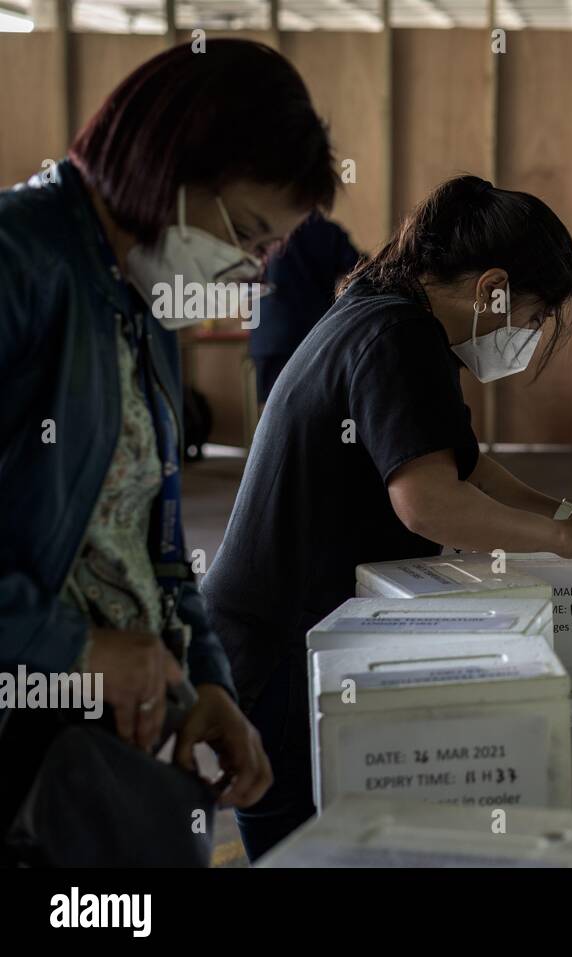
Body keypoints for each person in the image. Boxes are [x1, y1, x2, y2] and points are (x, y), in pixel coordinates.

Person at [201, 174, 572, 860]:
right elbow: (428, 502)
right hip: (281, 646)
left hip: (278, 628)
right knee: (306, 846)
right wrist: (558, 539)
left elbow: (463, 465)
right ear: (493, 286)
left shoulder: (389, 311)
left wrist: (564, 515)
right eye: (534, 315)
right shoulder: (398, 337)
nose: (526, 334)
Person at [0, 39, 339, 840]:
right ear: (168, 162)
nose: (246, 271)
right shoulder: (20, 261)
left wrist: (207, 682)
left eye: (264, 253)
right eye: (246, 233)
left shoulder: (140, 299)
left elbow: (151, 539)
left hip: (99, 730)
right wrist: (75, 648)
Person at [249, 211, 360, 405]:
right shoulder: (327, 231)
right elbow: (362, 270)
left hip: (268, 337)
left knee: (272, 414)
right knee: (313, 410)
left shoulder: (265, 228)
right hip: (313, 338)